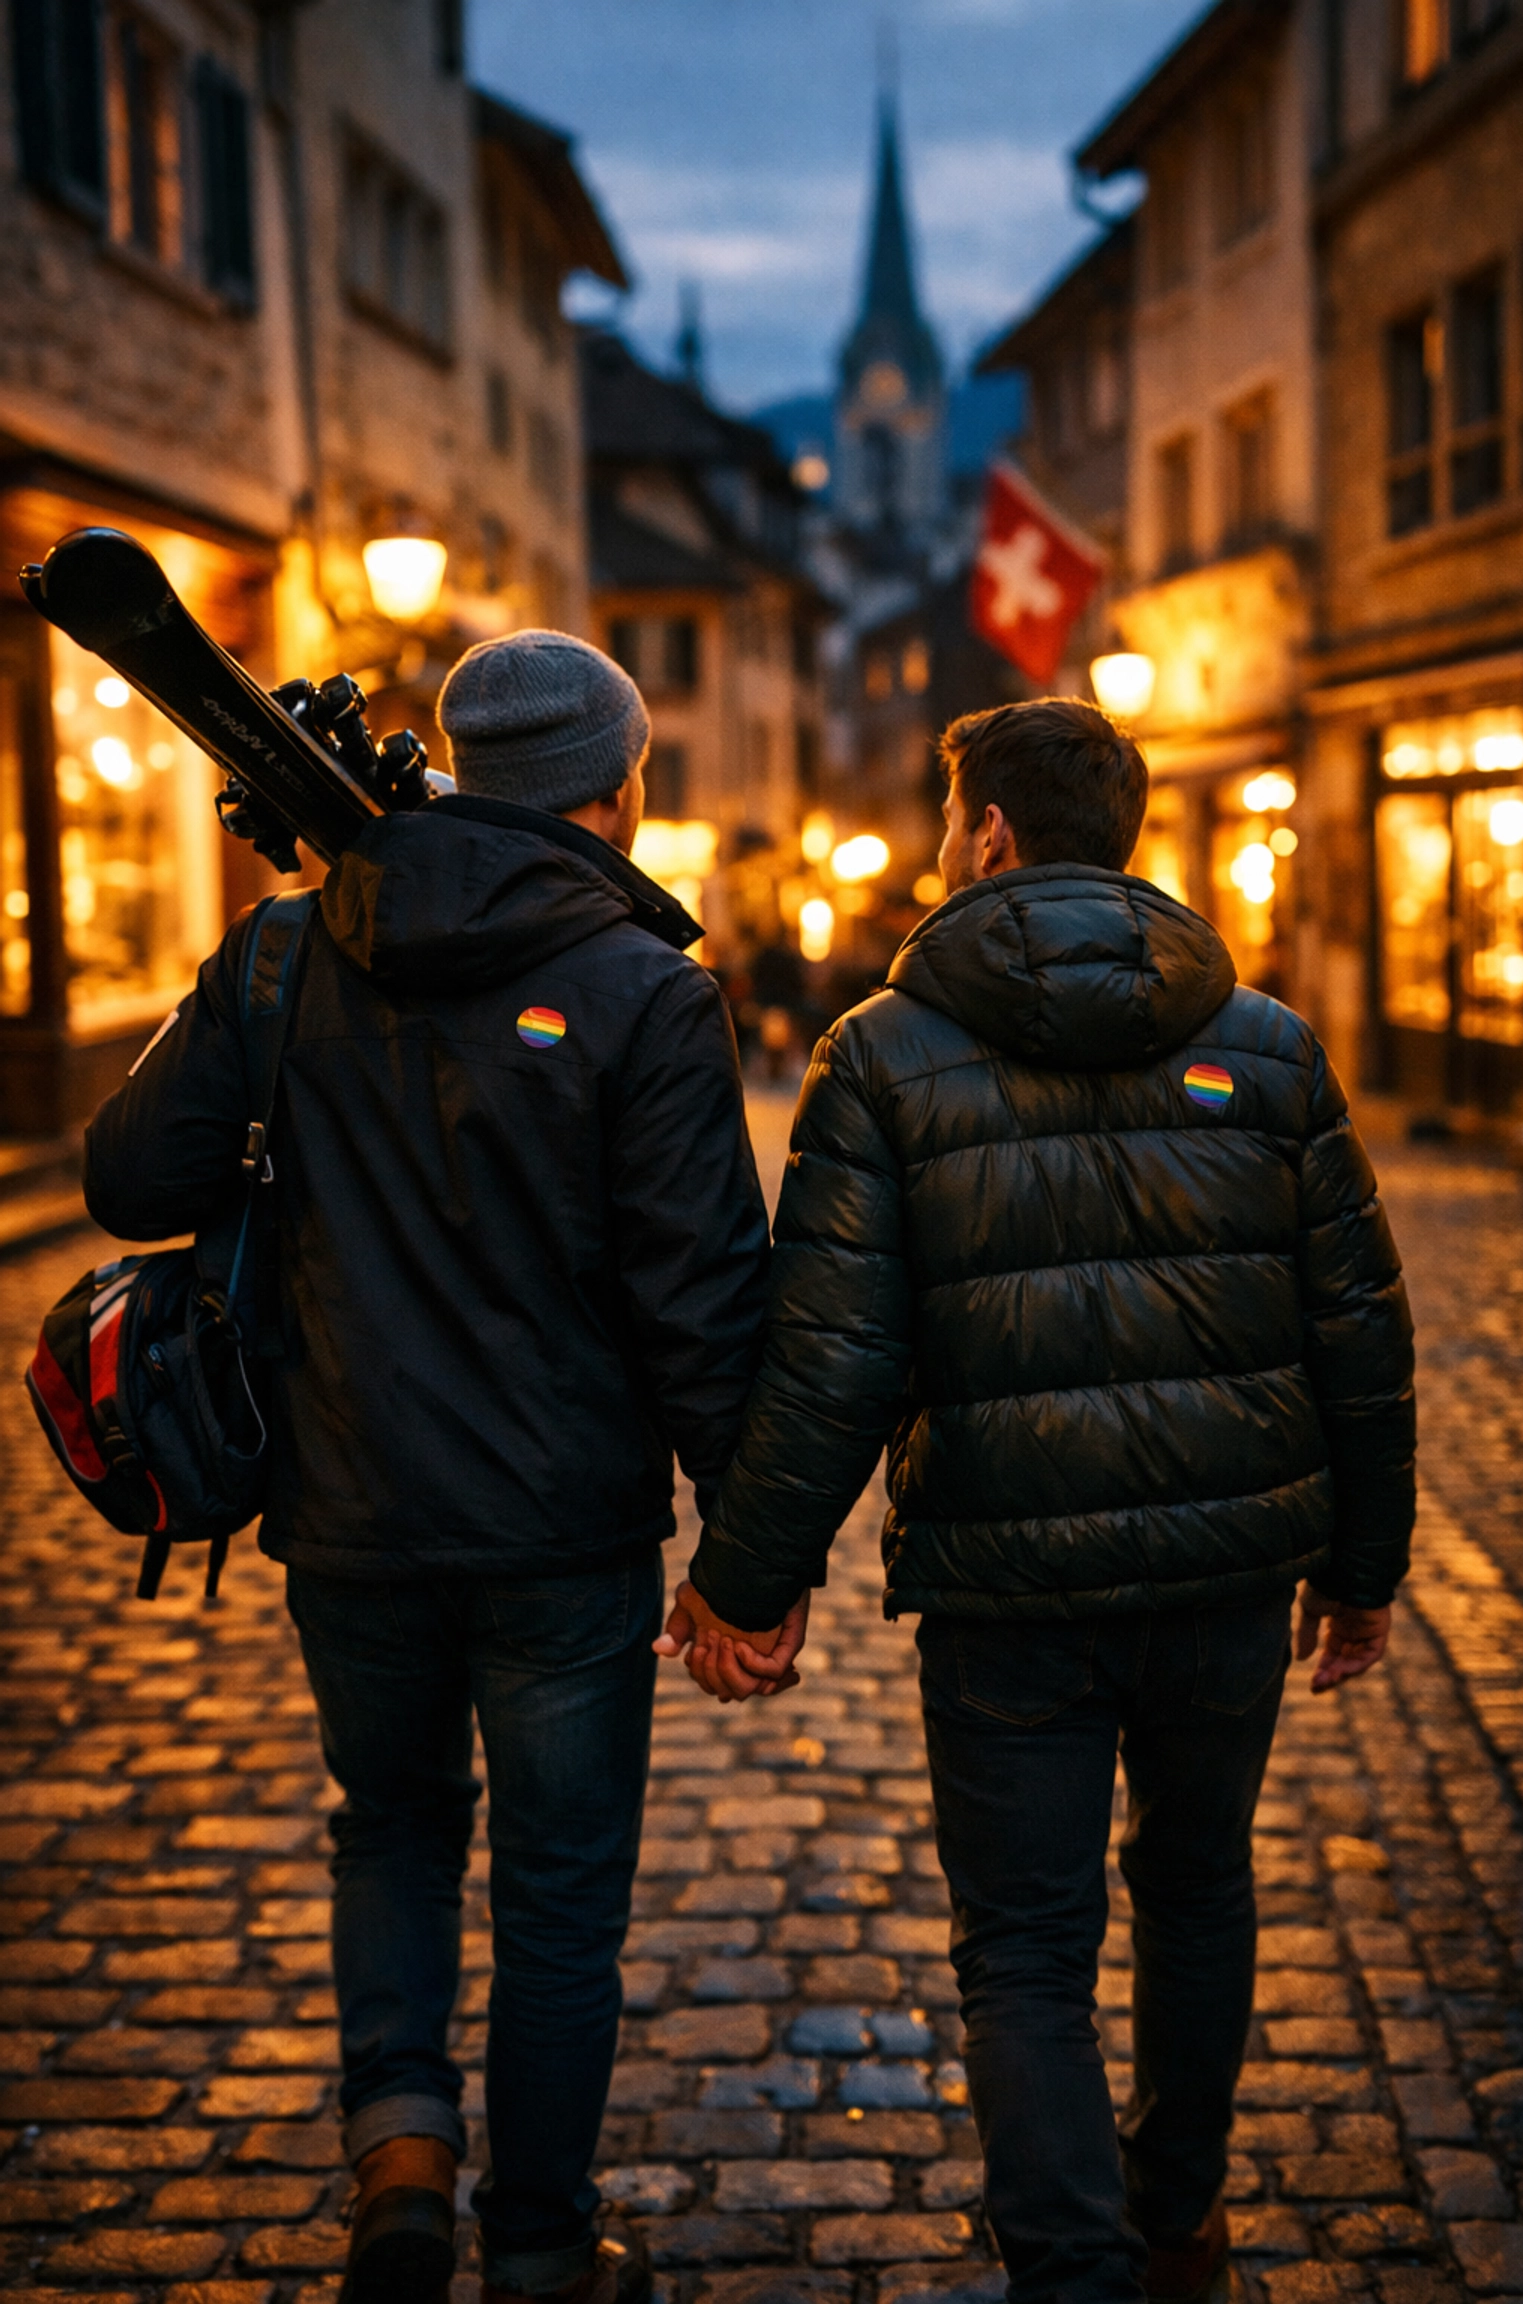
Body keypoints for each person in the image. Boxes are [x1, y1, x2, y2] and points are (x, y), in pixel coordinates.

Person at [657, 698, 1415, 2304]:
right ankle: (1180, 2215)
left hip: (1007, 1591)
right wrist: (1365, 1566)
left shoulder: (883, 1051)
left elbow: (836, 1352)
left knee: (1024, 1946)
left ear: (989, 834)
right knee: (1200, 1882)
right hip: (1225, 1571)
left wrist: (746, 1577)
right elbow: (1360, 1326)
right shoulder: (1269, 1044)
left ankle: (1073, 2270)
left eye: (950, 823)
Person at [84, 632, 771, 2304]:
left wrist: (275, 1011)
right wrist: (752, 1564)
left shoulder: (283, 949)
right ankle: (538, 2245)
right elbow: (704, 1308)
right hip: (563, 1534)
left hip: (352, 1507)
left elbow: (126, 1174)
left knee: (388, 1831)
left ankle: (399, 2158)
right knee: (556, 1891)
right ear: (621, 791)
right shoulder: (649, 991)